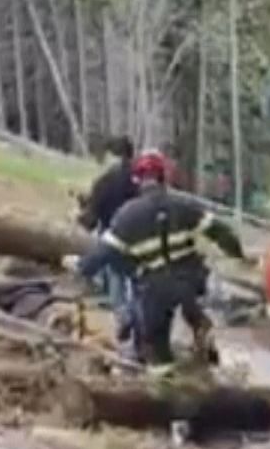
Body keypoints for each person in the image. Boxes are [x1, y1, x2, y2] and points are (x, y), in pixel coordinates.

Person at [66, 150, 248, 371]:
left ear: (137, 180)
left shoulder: (127, 215)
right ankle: (200, 330)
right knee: (192, 315)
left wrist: (79, 267)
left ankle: (164, 379)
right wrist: (239, 256)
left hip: (155, 291)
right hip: (190, 283)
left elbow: (102, 254)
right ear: (164, 177)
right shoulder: (184, 206)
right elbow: (222, 233)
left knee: (156, 352)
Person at [77, 136, 139, 351]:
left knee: (116, 278)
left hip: (113, 237)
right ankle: (135, 316)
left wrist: (81, 217)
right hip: (142, 238)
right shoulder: (139, 179)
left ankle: (122, 319)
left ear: (114, 155)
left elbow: (92, 217)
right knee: (137, 282)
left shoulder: (104, 182)